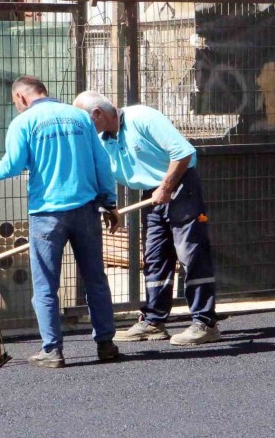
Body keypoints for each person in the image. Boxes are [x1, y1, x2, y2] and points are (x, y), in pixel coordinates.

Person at [0, 76, 120, 368]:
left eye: (15, 103)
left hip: (47, 215)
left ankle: (53, 350)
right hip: (86, 210)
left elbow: (9, 167)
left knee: (46, 285)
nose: (17, 108)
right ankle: (106, 344)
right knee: (96, 280)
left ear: (21, 98)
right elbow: (102, 163)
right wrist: (110, 202)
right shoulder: (80, 117)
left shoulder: (24, 123)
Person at [73, 91, 220, 346]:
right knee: (154, 257)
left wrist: (166, 186)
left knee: (191, 254)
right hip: (152, 195)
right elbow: (103, 175)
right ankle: (153, 320)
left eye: (84, 119)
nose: (84, 127)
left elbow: (183, 153)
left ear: (97, 114)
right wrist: (110, 206)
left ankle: (205, 322)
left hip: (180, 185)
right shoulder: (102, 140)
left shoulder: (142, 117)